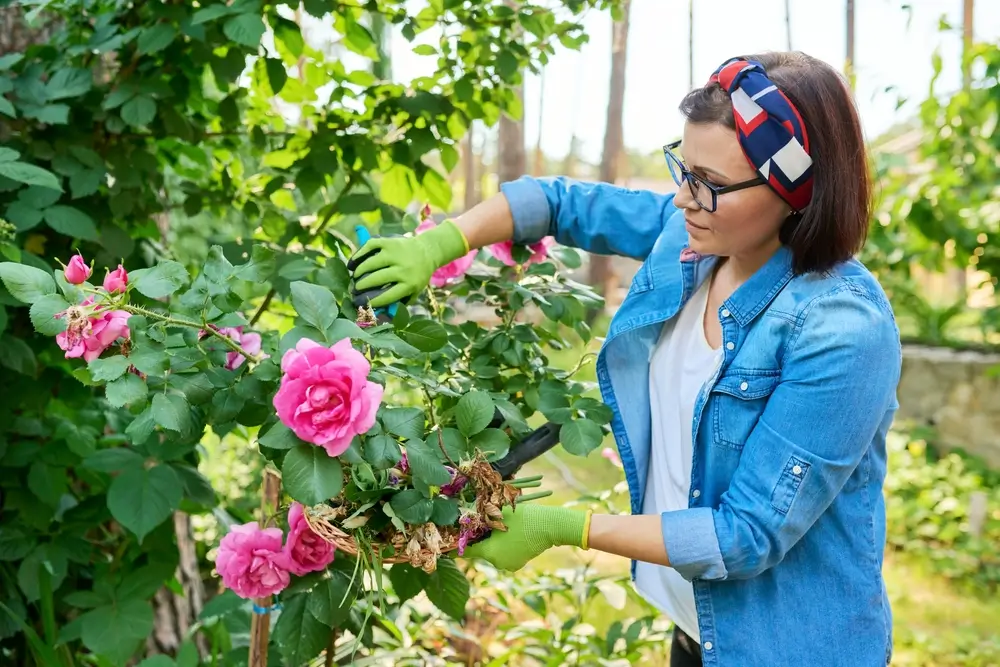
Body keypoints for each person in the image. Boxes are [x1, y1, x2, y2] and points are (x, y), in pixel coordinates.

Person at [348, 51, 902, 667]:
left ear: (796, 191)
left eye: (712, 185)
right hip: (699, 632)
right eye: (684, 170)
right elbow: (556, 202)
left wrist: (566, 527)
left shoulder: (842, 329)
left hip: (788, 648)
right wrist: (439, 242)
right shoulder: (695, 235)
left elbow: (746, 535)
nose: (687, 199)